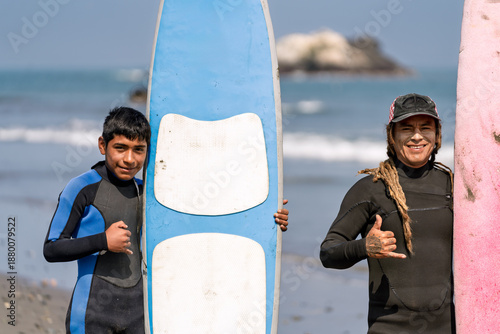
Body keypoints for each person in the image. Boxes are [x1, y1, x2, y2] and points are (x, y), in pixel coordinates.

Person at [44, 107, 289, 334]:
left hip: (140, 314)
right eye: (120, 148)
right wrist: (103, 240)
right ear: (102, 145)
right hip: (91, 313)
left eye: (139, 150)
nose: (130, 159)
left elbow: (203, 221)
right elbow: (52, 248)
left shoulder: (150, 194)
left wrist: (267, 218)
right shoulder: (82, 188)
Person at [320, 93, 455, 333]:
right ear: (391, 136)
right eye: (406, 128)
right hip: (389, 328)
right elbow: (328, 253)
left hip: (448, 327)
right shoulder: (372, 188)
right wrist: (364, 247)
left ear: (437, 135)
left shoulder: (454, 187)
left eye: (426, 127)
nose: (416, 136)